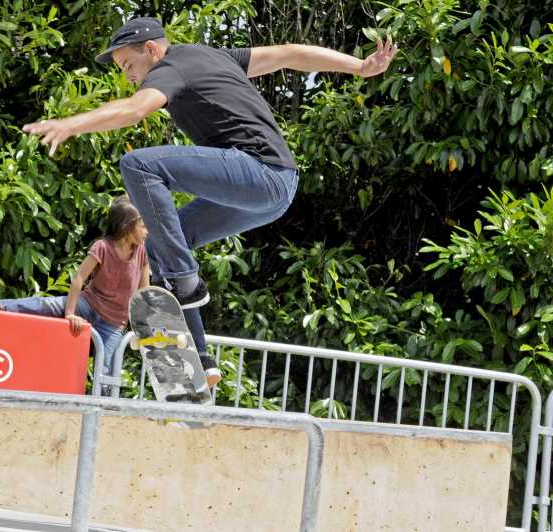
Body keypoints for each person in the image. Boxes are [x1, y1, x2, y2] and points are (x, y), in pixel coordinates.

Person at [22, 16, 398, 382]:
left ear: (152, 49)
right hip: (276, 190)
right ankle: (201, 358)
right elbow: (290, 53)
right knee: (163, 245)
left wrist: (71, 124)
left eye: (128, 64)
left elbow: (136, 111)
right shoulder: (215, 56)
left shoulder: (168, 70)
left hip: (259, 173)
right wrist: (360, 67)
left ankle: (185, 280)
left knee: (138, 165)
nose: (128, 76)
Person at [0, 196, 152, 383]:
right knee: (46, 305)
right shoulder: (103, 247)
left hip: (113, 322)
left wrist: (145, 326)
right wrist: (70, 313)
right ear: (126, 226)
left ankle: (102, 409)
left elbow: (143, 293)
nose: (147, 231)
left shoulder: (142, 252)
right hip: (88, 304)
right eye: (143, 226)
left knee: (106, 374)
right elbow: (79, 278)